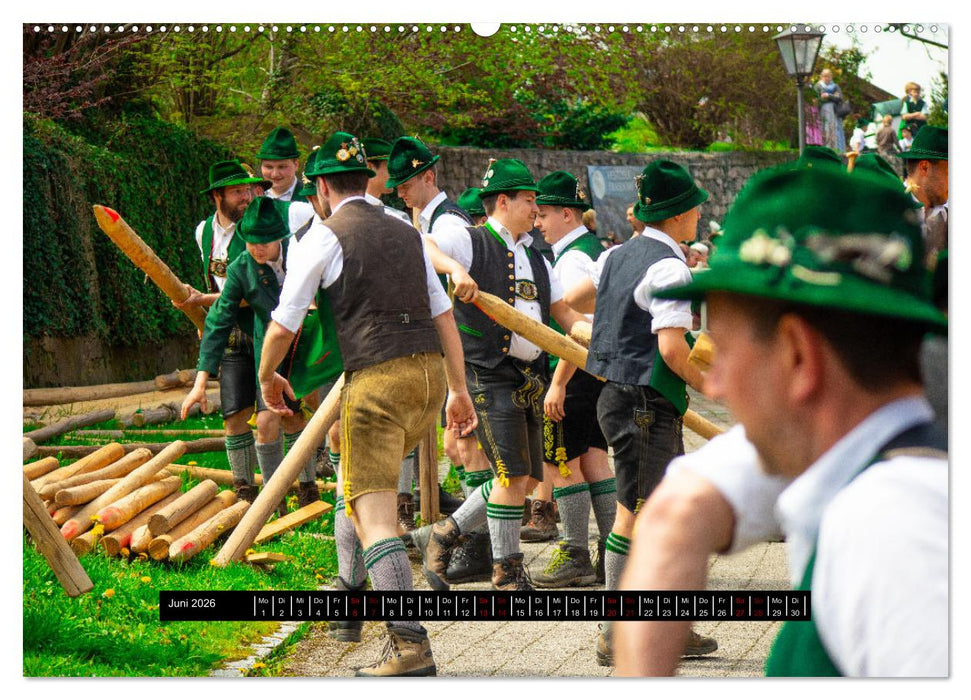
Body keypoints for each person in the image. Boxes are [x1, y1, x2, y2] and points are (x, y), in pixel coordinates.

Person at [614, 162, 947, 677]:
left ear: (797, 356)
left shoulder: (898, 537)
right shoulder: (849, 441)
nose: (716, 385)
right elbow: (677, 511)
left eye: (721, 353)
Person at [258, 130, 477, 677]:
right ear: (366, 179)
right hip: (427, 377)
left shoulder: (323, 237)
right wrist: (457, 389)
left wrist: (267, 377)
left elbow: (285, 323)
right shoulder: (407, 230)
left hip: (375, 381)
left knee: (373, 515)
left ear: (324, 187)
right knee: (356, 486)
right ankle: (349, 603)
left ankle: (409, 643)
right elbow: (442, 313)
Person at [412, 158, 588, 592]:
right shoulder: (471, 239)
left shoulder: (536, 256)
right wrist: (455, 270)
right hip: (487, 371)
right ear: (504, 201)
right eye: (529, 200)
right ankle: (507, 572)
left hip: (529, 377)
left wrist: (594, 334)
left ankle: (443, 532)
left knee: (526, 476)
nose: (535, 208)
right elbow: (425, 245)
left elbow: (563, 313)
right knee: (510, 474)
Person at [584, 159, 717, 665]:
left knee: (654, 515)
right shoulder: (668, 266)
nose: (701, 210)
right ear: (680, 214)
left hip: (623, 397)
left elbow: (574, 300)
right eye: (695, 205)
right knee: (634, 515)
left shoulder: (616, 255)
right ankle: (616, 632)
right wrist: (712, 387)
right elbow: (671, 350)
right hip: (643, 403)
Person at [180, 196, 340, 509]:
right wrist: (200, 383)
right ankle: (272, 498)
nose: (256, 249)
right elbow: (218, 320)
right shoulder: (242, 268)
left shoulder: (306, 253)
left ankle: (308, 488)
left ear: (280, 236)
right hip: (267, 348)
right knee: (267, 421)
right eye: (250, 242)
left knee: (300, 418)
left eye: (263, 242)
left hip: (308, 342)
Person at [176, 160, 283, 503]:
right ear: (217, 196)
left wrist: (202, 300)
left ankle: (279, 494)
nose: (247, 197)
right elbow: (220, 288)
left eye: (249, 190)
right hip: (229, 332)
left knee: (271, 417)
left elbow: (244, 291)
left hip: (263, 327)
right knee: (234, 413)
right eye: (238, 191)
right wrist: (208, 314)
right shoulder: (202, 232)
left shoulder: (256, 229)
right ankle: (244, 493)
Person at [530, 170, 615, 587]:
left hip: (574, 368)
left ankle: (575, 551)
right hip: (593, 369)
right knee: (594, 458)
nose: (538, 222)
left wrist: (559, 381)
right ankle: (614, 552)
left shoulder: (573, 258)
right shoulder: (589, 249)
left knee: (560, 462)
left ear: (567, 213)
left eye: (543, 213)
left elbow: (581, 327)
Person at [361, 137, 411, 224]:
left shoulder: (398, 217)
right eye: (389, 167)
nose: (394, 173)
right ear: (370, 167)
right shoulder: (397, 219)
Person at [257, 127, 307, 203]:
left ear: (296, 165)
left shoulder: (311, 198)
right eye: (269, 167)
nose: (275, 174)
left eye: (282, 167)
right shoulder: (252, 198)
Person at [814, 69, 846, 153]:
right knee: (825, 128)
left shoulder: (835, 86)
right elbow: (816, 98)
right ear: (821, 77)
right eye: (825, 76)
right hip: (823, 111)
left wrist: (829, 95)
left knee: (835, 128)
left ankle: (836, 149)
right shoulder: (818, 86)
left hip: (834, 110)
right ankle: (826, 148)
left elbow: (840, 98)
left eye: (829, 76)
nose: (828, 78)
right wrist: (832, 97)